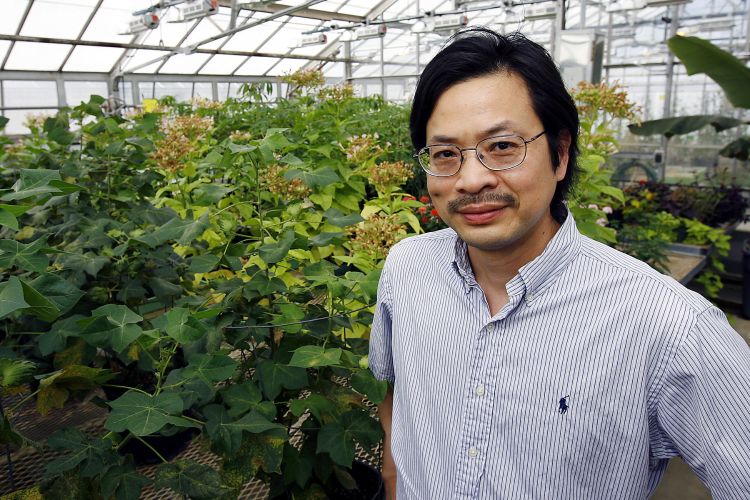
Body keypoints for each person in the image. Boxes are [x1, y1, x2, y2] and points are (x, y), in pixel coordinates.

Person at [368, 27, 750, 499]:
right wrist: (392, 474)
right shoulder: (407, 270)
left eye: (503, 147)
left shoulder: (670, 328)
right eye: (445, 154)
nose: (469, 179)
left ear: (561, 152)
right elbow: (394, 392)